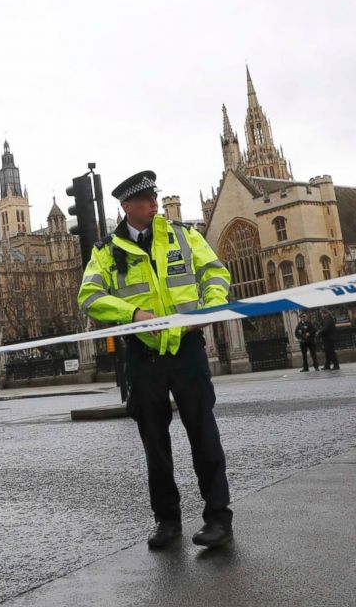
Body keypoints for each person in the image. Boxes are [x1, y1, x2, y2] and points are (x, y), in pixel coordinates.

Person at [77, 170, 235, 550]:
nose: (153, 203)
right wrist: (131, 314)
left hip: (186, 349)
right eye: (145, 199)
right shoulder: (105, 252)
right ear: (126, 206)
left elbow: (215, 273)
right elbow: (89, 297)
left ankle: (218, 520)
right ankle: (167, 521)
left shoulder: (184, 235)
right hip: (143, 355)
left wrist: (209, 310)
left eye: (154, 196)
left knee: (204, 435)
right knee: (154, 444)